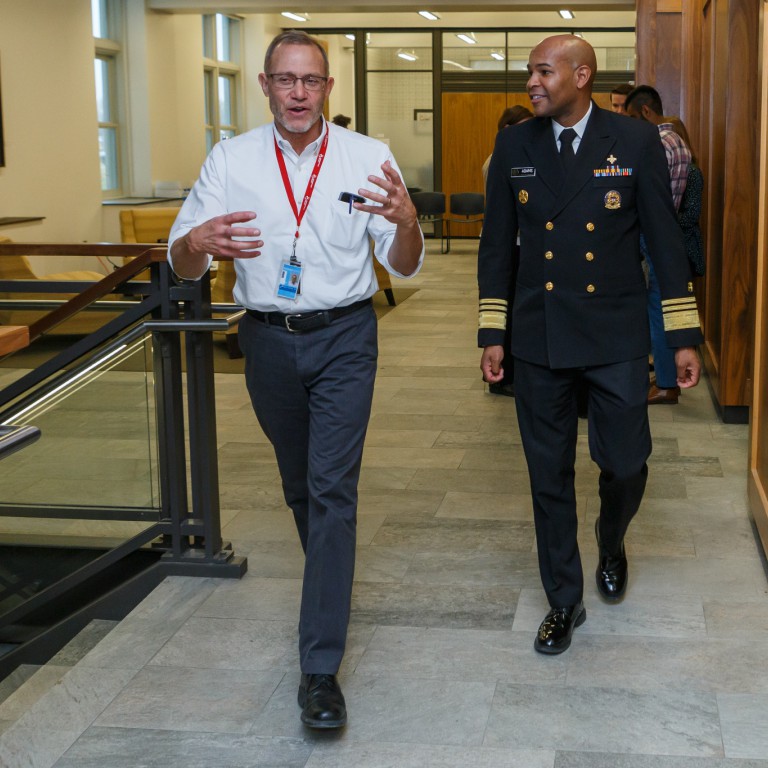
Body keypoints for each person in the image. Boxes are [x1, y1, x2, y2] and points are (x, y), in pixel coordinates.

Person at [167, 30, 424, 729]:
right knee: (300, 487)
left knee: (332, 489)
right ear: (265, 85)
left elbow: (403, 264)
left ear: (329, 88)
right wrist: (198, 243)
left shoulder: (367, 156)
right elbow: (182, 260)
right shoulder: (232, 159)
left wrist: (406, 224)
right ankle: (330, 579)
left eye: (311, 80)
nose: (299, 93)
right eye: (286, 80)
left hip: (345, 335)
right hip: (267, 342)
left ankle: (319, 669)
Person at [478, 34, 703, 655]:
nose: (532, 82)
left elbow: (664, 242)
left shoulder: (634, 142)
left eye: (543, 71)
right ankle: (562, 600)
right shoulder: (514, 143)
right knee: (547, 475)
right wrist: (492, 332)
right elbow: (497, 246)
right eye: (530, 72)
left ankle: (611, 539)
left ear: (582, 74)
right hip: (539, 334)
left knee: (626, 463)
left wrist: (681, 338)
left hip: (615, 334)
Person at [625, 85, 692, 405]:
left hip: (652, 236)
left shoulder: (658, 143)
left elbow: (648, 199)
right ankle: (664, 377)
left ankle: (666, 383)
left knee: (658, 311)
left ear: (647, 113)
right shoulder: (677, 140)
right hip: (663, 235)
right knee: (660, 308)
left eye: (633, 119)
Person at [481, 105, 534, 397]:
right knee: (506, 311)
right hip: (509, 243)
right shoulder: (498, 160)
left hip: (521, 244)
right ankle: (503, 377)